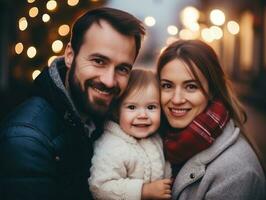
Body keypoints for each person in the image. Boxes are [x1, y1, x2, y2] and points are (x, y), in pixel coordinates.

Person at [0, 7, 145, 200]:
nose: (109, 80)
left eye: (122, 69)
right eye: (99, 61)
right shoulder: (27, 140)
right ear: (70, 55)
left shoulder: (108, 119)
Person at [157, 39, 266, 200]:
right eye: (167, 85)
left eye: (191, 86)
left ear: (212, 91)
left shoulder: (237, 172)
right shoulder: (155, 138)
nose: (177, 99)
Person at [89, 69, 172, 200]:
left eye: (151, 107)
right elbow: (100, 188)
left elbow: (163, 165)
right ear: (117, 111)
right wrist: (144, 191)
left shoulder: (156, 137)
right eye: (132, 107)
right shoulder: (112, 146)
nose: (143, 115)